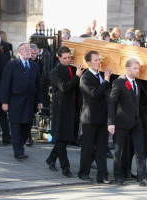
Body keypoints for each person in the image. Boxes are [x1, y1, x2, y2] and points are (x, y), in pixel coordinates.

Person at [107, 58, 147, 186]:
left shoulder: (138, 83)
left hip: (136, 122)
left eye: (138, 68)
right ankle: (118, 177)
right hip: (122, 121)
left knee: (140, 151)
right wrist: (110, 122)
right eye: (135, 68)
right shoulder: (119, 82)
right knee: (119, 150)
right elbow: (112, 102)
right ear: (127, 69)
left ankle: (143, 178)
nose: (137, 71)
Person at [0, 42, 43, 159]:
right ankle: (18, 151)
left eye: (29, 48)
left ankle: (19, 146)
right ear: (19, 52)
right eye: (25, 49)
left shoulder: (34, 65)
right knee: (15, 127)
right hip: (15, 102)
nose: (28, 50)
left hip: (29, 102)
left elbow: (38, 85)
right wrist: (4, 102)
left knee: (26, 128)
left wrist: (39, 100)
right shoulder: (12, 65)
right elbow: (5, 84)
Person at [46, 46, 84, 177]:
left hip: (72, 107)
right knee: (62, 138)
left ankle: (51, 159)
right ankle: (65, 167)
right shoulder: (55, 72)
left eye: (69, 58)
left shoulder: (72, 68)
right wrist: (77, 76)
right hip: (61, 109)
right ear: (59, 58)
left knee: (66, 138)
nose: (68, 60)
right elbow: (64, 87)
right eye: (65, 58)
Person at [78, 51, 112, 184]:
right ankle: (83, 172)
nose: (99, 62)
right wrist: (107, 80)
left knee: (102, 148)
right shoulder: (85, 77)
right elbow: (95, 94)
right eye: (96, 60)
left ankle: (102, 175)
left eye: (99, 59)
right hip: (90, 118)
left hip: (102, 118)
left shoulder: (101, 76)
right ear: (89, 63)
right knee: (88, 147)